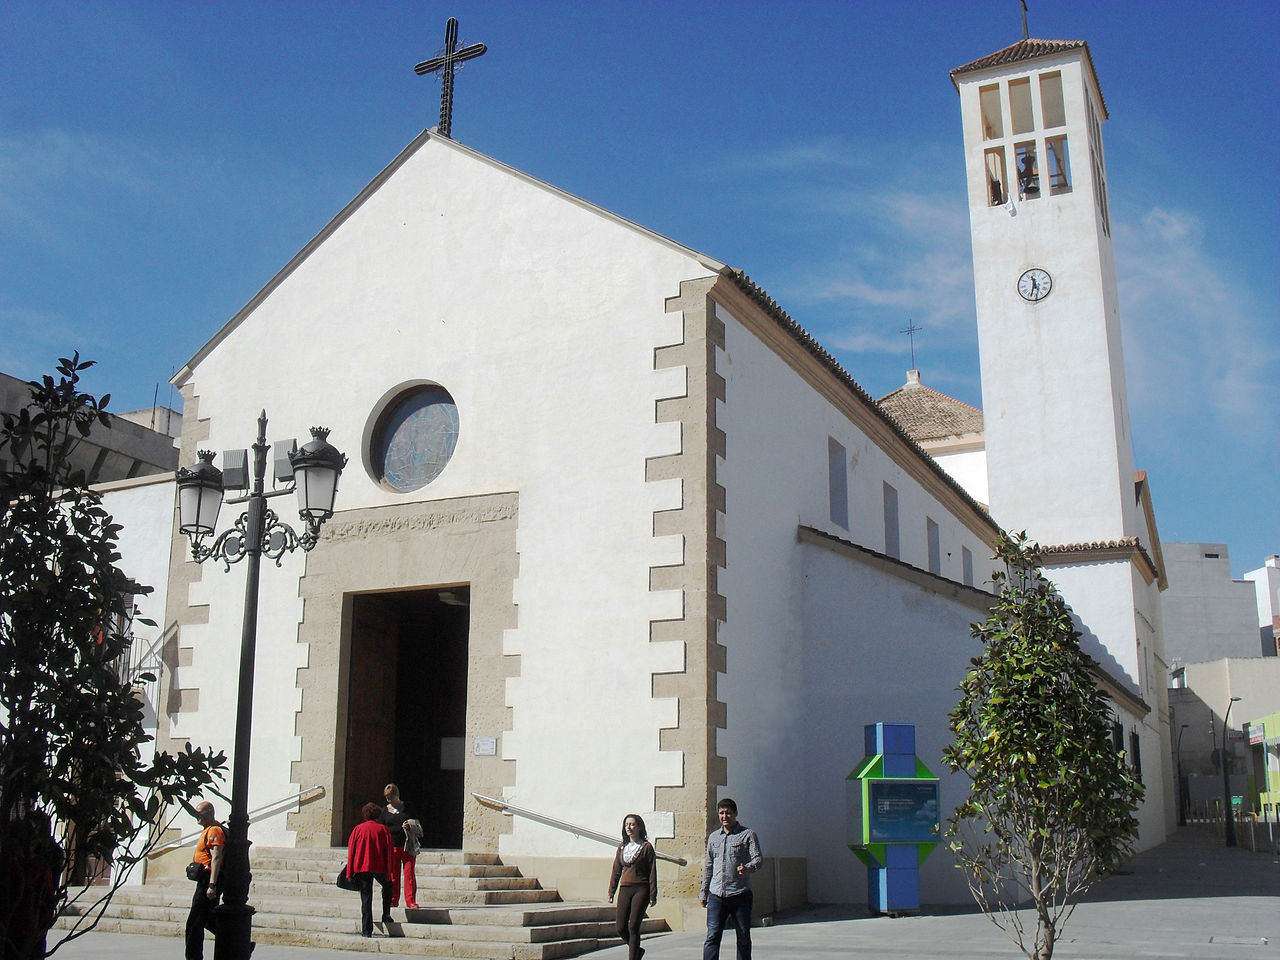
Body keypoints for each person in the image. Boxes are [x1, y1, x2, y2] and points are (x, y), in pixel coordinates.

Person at [699, 798, 762, 960]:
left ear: (735, 814)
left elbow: (758, 859)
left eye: (728, 813)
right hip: (716, 894)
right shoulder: (713, 838)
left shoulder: (747, 834)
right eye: (721, 813)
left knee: (743, 937)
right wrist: (703, 892)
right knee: (712, 935)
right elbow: (708, 866)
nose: (724, 816)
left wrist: (747, 867)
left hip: (739, 894)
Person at [607, 813, 658, 960]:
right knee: (621, 927)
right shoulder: (623, 847)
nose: (629, 827)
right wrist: (612, 891)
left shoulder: (646, 847)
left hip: (641, 889)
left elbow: (652, 871)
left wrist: (653, 894)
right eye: (626, 825)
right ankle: (637, 950)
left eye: (632, 824)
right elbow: (616, 870)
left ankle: (633, 957)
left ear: (639, 827)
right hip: (625, 888)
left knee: (633, 927)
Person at [346, 802, 395, 937]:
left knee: (366, 899)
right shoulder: (383, 829)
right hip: (379, 866)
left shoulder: (358, 829)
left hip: (362, 867)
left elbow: (351, 851)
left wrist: (350, 871)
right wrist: (389, 871)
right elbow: (389, 851)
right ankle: (386, 914)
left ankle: (367, 930)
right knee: (388, 886)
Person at [185, 801, 224, 960]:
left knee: (194, 923)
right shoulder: (207, 830)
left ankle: (193, 957)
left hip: (208, 881)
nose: (196, 817)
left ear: (210, 812)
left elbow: (216, 857)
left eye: (199, 813)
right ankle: (238, 941)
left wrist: (212, 885)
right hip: (204, 881)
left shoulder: (215, 830)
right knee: (207, 919)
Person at [383, 783, 419, 909]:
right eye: (387, 798)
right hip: (392, 847)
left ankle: (410, 900)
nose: (389, 800)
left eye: (391, 798)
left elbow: (417, 821)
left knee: (409, 874)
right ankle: (393, 899)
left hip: (407, 846)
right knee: (393, 875)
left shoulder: (407, 807)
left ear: (397, 795)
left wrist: (409, 824)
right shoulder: (385, 811)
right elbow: (382, 827)